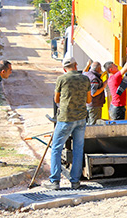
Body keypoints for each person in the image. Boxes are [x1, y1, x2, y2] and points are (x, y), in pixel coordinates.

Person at [44, 56, 91, 190]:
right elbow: (89, 100)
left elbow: (56, 99)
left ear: (64, 68)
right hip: (81, 119)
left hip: (65, 119)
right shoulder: (85, 79)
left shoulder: (62, 79)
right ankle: (75, 181)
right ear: (76, 65)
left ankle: (54, 181)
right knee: (78, 149)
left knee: (56, 149)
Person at [104, 46, 127, 120]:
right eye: (115, 66)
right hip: (117, 108)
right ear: (111, 69)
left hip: (115, 107)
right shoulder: (115, 77)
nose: (117, 66)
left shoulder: (111, 78)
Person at [83, 60, 106, 125]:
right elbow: (94, 93)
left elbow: (83, 72)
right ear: (98, 69)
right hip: (94, 105)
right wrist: (103, 86)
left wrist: (87, 65)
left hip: (88, 104)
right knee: (94, 124)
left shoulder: (87, 74)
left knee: (90, 122)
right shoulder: (94, 79)